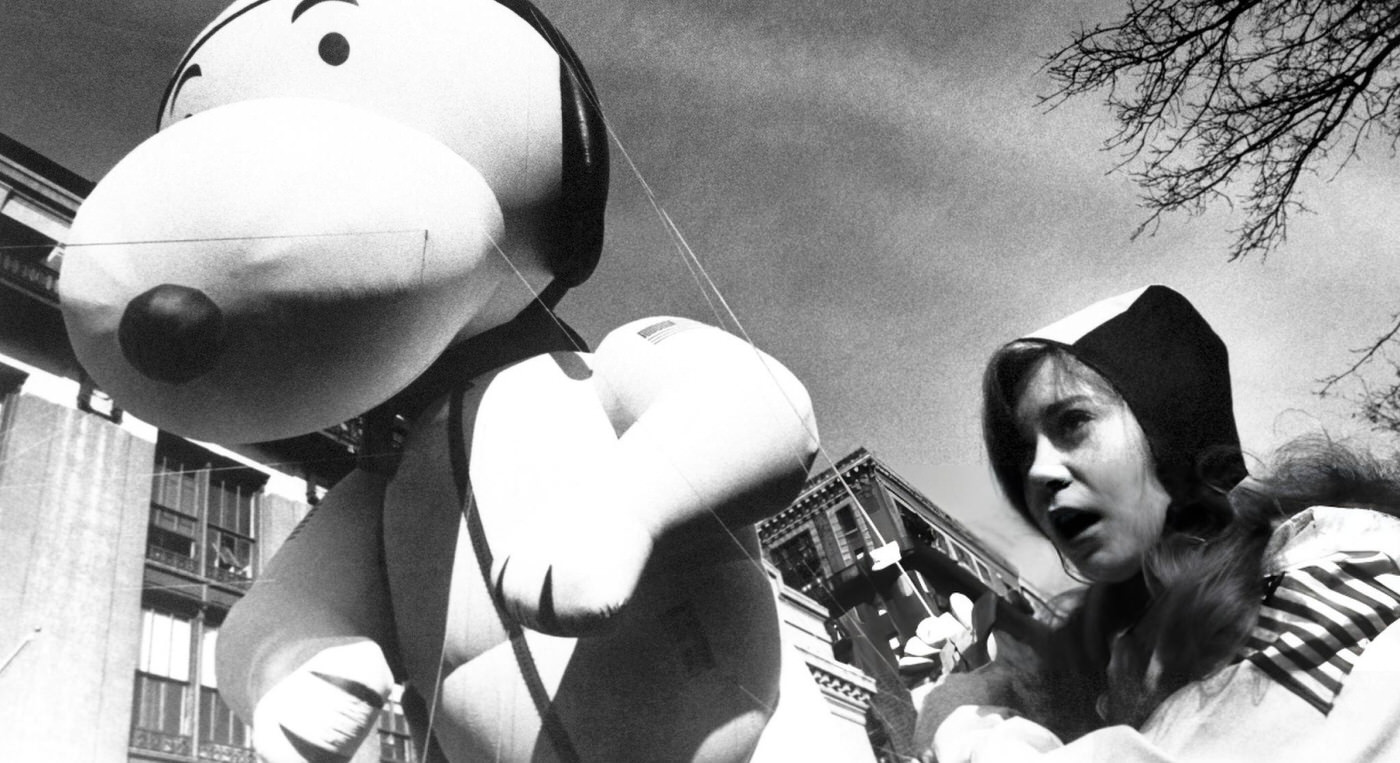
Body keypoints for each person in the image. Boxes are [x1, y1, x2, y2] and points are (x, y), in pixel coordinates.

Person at [913, 285, 1400, 761]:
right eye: (1023, 453)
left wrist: (963, 724)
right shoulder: (1121, 656)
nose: (1038, 471)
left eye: (1073, 422)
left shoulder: (1341, 564)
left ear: (1168, 424)